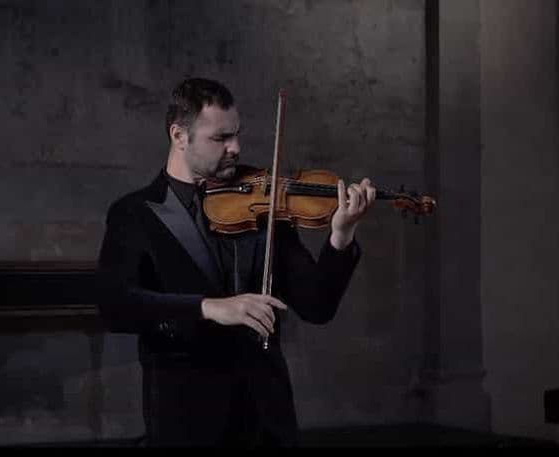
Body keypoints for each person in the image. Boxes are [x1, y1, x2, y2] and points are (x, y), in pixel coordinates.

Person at [97, 77, 376, 447]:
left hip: (267, 420)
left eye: (237, 135)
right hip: (187, 421)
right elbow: (116, 306)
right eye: (220, 138)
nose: (236, 148)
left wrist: (341, 235)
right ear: (179, 136)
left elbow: (317, 305)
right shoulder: (134, 214)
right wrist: (208, 308)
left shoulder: (262, 201)